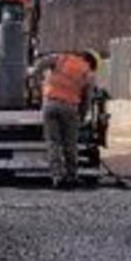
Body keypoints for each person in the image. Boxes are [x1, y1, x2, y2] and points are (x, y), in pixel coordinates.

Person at [33, 50, 98, 188]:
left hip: (50, 104)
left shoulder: (62, 59)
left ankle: (57, 177)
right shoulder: (88, 73)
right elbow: (87, 99)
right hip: (70, 108)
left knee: (53, 142)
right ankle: (72, 176)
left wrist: (37, 83)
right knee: (70, 144)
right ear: (91, 63)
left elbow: (39, 64)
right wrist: (81, 116)